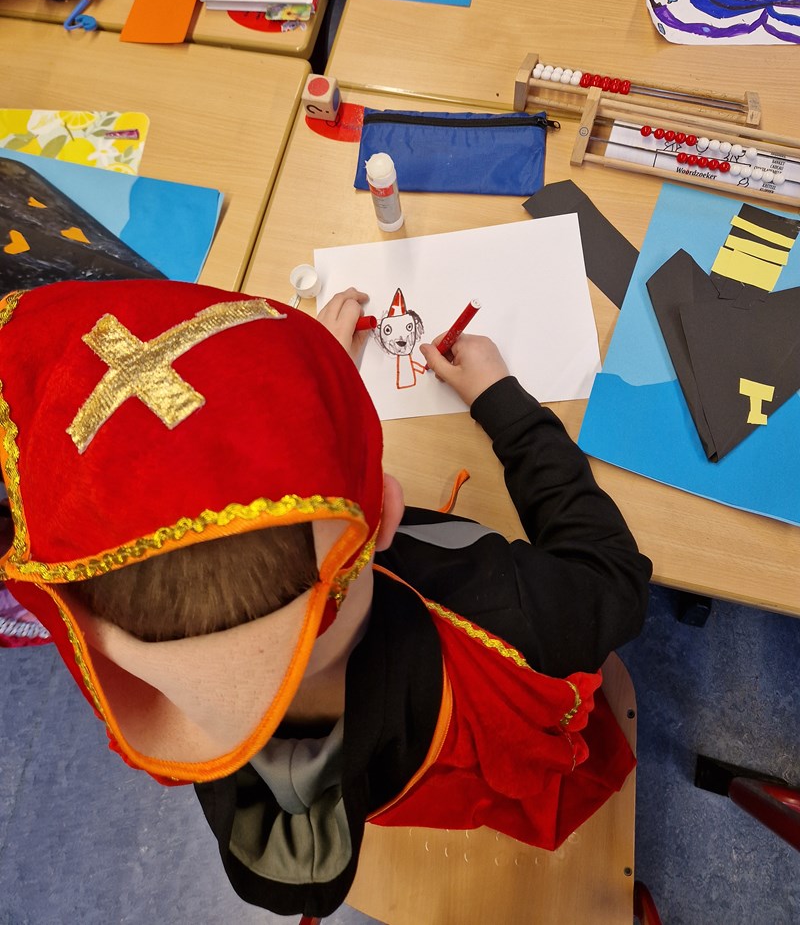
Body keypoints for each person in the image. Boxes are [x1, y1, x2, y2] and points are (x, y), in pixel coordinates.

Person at [0, 278, 651, 919]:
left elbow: (179, 496)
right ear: (386, 511)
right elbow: (614, 572)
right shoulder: (515, 615)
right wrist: (501, 400)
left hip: (392, 788)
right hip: (500, 733)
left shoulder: (175, 713)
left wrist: (308, 406)